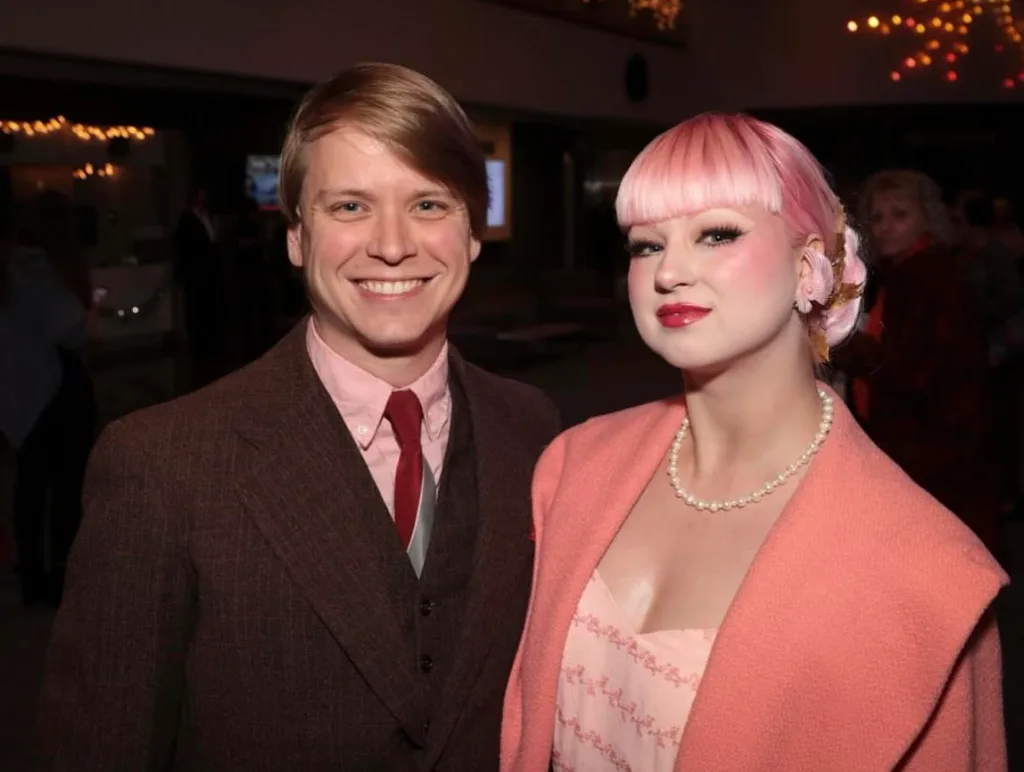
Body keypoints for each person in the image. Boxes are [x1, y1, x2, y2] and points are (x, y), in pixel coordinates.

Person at [39, 63, 560, 771]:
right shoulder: (162, 465)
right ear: (295, 236)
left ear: (472, 234)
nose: (393, 244)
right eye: (349, 207)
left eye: (429, 205)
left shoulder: (533, 428)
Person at [501, 114, 1007, 771]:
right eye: (646, 245)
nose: (670, 271)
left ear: (806, 269)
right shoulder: (572, 465)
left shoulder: (929, 576)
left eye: (717, 233)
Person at [840, 170, 999, 553]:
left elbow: (910, 371)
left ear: (927, 217)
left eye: (900, 215)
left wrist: (838, 344)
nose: (886, 228)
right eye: (877, 218)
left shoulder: (928, 277)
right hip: (930, 444)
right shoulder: (908, 272)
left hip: (932, 448)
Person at [0, 190, 95, 606]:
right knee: (63, 484)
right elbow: (73, 331)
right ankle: (56, 572)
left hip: (19, 389)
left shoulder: (10, 269)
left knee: (30, 486)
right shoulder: (35, 269)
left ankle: (32, 571)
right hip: (56, 390)